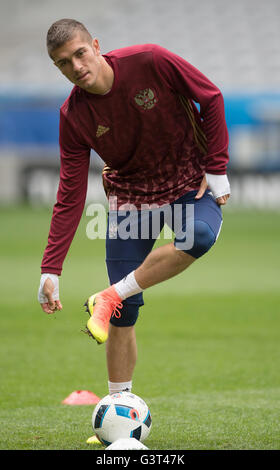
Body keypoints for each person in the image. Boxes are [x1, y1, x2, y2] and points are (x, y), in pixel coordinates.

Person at [38, 19, 230, 403]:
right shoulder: (73, 116)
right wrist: (50, 268)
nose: (76, 66)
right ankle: (120, 416)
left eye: (79, 53)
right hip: (130, 198)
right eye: (63, 63)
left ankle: (109, 295)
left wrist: (217, 167)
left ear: (95, 45)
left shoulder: (150, 61)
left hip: (190, 183)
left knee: (200, 236)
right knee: (124, 317)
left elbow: (210, 97)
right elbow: (71, 191)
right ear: (57, 68)